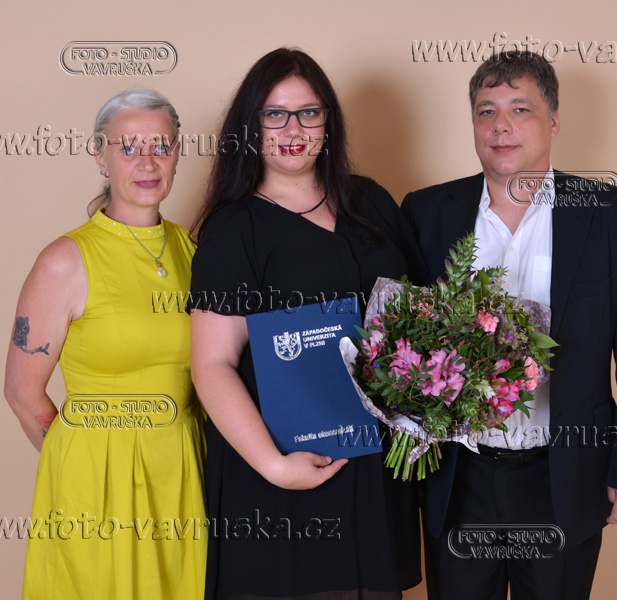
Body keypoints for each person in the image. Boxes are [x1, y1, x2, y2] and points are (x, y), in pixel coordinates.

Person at [402, 50, 617, 600]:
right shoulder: (425, 212)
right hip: (459, 478)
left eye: (519, 109)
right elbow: (404, 336)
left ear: (553, 121)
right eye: (486, 111)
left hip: (563, 475)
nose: (500, 126)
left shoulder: (612, 214)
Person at [188, 48, 423, 600]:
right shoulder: (235, 228)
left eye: (308, 113)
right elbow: (212, 364)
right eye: (275, 114)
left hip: (375, 459)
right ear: (251, 126)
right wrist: (274, 466)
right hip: (286, 464)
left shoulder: (372, 202)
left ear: (328, 122)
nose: (293, 130)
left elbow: (418, 317)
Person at [4, 88, 206, 599]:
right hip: (98, 480)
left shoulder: (192, 250)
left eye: (161, 146)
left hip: (183, 471)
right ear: (100, 155)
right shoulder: (65, 260)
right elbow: (22, 392)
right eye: (128, 147)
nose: (147, 162)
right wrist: (83, 461)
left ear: (178, 154)